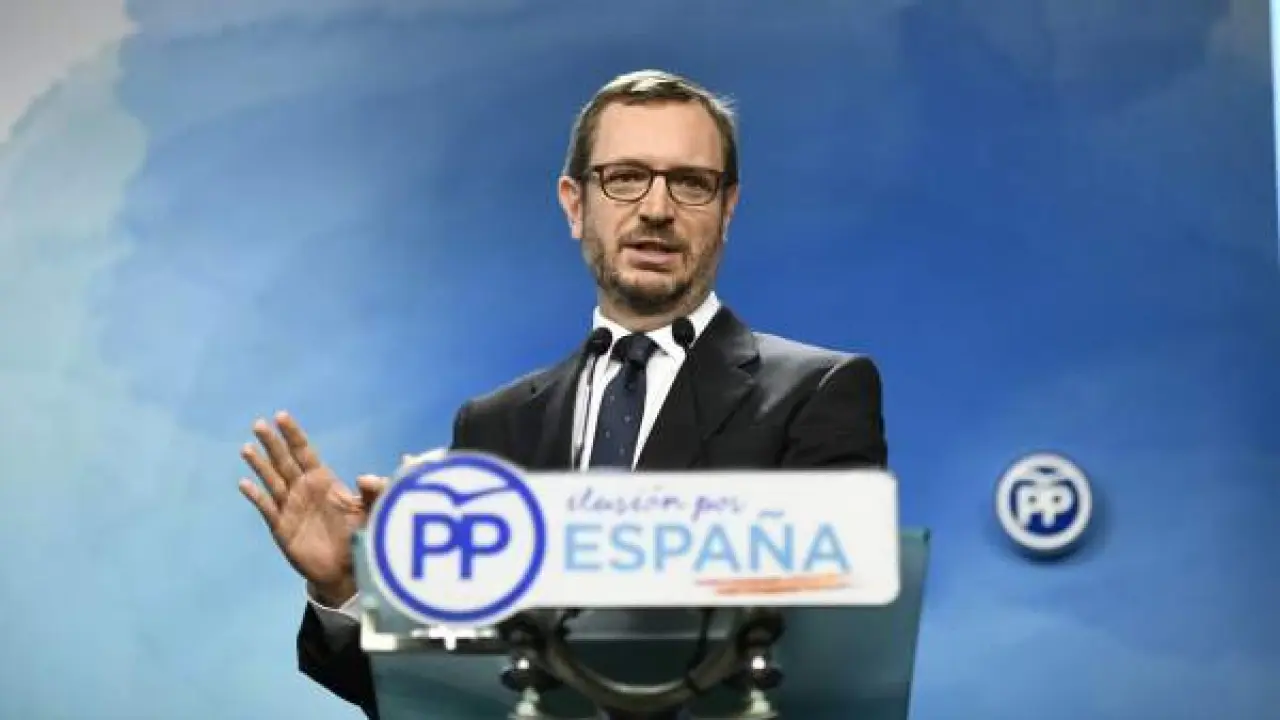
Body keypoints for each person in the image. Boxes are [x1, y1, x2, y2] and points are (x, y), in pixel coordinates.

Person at [238, 69, 888, 719]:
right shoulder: (493, 426)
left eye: (690, 183)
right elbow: (453, 700)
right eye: (625, 177)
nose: (657, 209)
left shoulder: (818, 393)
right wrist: (354, 590)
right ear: (575, 205)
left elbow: (830, 668)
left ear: (728, 208)